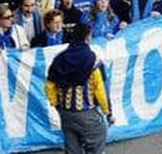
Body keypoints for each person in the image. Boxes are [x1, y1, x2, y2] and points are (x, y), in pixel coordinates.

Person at [45, 23, 113, 154]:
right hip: (86, 113)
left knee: (72, 149)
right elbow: (100, 90)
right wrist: (107, 112)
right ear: (87, 38)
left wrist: (56, 105)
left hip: (66, 112)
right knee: (98, 138)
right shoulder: (93, 60)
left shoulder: (59, 58)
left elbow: (49, 85)